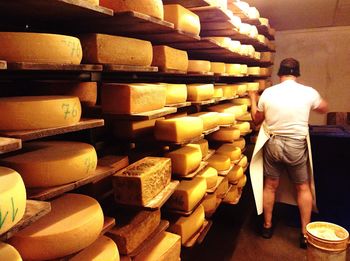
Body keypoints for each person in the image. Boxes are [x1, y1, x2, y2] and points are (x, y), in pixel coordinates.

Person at [249, 58, 328, 248]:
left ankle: (267, 227)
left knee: (270, 186)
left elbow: (256, 120)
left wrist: (253, 98)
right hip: (296, 145)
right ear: (297, 74)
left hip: (274, 144)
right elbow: (324, 107)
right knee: (302, 188)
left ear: (279, 74)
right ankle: (304, 234)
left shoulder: (268, 92)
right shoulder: (308, 92)